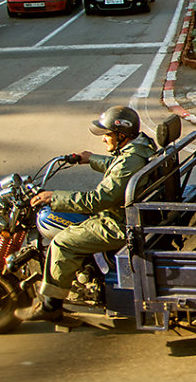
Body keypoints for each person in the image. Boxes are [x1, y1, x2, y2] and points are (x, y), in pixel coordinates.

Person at [15, 106, 157, 322]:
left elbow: (98, 200)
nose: (104, 140)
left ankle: (50, 305)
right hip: (131, 215)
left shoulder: (131, 160)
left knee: (63, 243)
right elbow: (117, 166)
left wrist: (53, 198)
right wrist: (90, 159)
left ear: (121, 135)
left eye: (107, 135)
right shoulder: (140, 148)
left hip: (119, 223)